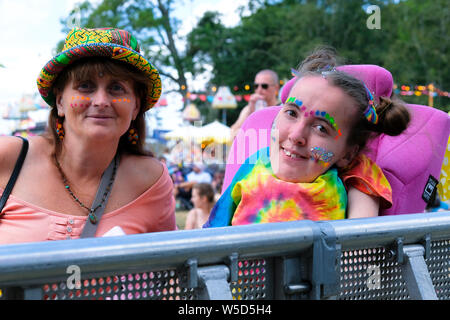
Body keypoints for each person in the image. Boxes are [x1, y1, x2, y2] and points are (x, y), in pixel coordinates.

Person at [0, 27, 176, 244]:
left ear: (136, 106)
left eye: (116, 88)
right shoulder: (8, 158)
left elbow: (170, 272)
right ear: (60, 101)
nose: (101, 101)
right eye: (85, 86)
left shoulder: (151, 181)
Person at [204, 48, 410, 228]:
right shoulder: (254, 165)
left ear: (348, 153)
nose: (296, 136)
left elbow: (361, 246)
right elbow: (215, 235)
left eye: (321, 128)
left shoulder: (358, 174)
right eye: (292, 113)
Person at [230, 69, 280, 140]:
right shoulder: (249, 109)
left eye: (264, 86)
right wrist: (250, 112)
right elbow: (232, 135)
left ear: (276, 88)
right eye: (256, 86)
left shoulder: (282, 109)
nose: (259, 90)